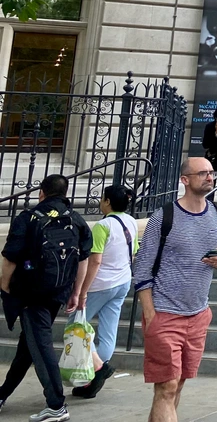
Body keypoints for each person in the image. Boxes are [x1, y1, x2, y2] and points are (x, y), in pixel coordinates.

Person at [131, 157, 217, 422]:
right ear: (185, 180)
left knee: (178, 384)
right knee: (167, 386)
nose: (209, 177)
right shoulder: (164, 217)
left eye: (212, 172)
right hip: (165, 312)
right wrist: (150, 313)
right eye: (202, 173)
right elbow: (142, 269)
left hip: (198, 314)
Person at [0, 174, 92, 421]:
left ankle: (56, 404)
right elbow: (84, 258)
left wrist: (4, 286)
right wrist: (77, 292)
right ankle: (2, 393)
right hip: (57, 291)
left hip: (31, 293)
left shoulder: (28, 218)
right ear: (65, 192)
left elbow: (10, 257)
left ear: (42, 192)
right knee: (28, 345)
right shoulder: (76, 220)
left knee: (40, 346)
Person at [71, 184, 139, 401]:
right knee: (109, 331)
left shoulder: (102, 226)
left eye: (102, 198)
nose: (100, 201)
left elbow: (95, 260)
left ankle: (97, 369)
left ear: (108, 201)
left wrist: (82, 291)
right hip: (122, 281)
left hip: (101, 284)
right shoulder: (131, 221)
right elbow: (134, 252)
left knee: (76, 324)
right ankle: (96, 371)